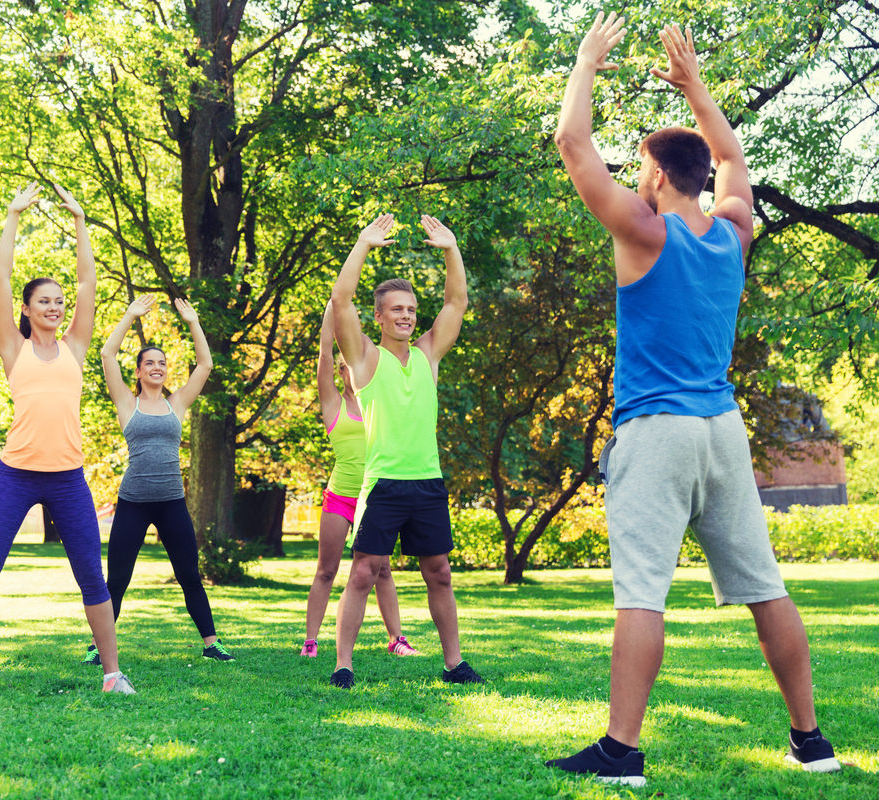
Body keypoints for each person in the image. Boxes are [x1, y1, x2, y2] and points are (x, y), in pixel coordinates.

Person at [546, 15, 841, 785]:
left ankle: (621, 752)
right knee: (764, 587)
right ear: (700, 175)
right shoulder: (732, 233)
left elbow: (573, 147)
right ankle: (811, 741)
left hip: (658, 431)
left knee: (641, 591)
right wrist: (697, 88)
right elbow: (735, 156)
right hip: (722, 432)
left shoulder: (644, 231)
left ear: (652, 176)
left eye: (638, 169)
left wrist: (585, 61)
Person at [0, 182, 134, 700]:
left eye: (60, 302)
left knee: (92, 579)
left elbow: (88, 281)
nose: (57, 307)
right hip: (15, 474)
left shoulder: (77, 347)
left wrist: (81, 221)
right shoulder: (13, 348)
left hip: (68, 477)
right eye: (45, 302)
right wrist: (12, 214)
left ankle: (112, 673)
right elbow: (3, 277)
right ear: (29, 310)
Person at [329, 213, 482, 689]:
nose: (406, 316)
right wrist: (362, 244)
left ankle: (454, 664)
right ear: (379, 316)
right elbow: (341, 299)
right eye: (396, 309)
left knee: (440, 572)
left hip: (428, 482)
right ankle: (343, 665)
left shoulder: (428, 354)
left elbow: (456, 300)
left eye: (411, 309)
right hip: (384, 485)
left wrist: (451, 249)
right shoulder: (364, 359)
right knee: (363, 573)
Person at [82, 294, 235, 665]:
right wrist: (129, 314)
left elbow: (205, 364)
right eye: (149, 362)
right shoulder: (125, 402)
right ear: (138, 371)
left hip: (171, 503)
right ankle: (97, 647)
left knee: (189, 575)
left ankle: (211, 643)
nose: (157, 367)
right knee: (116, 579)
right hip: (133, 502)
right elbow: (106, 356)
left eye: (162, 363)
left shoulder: (177, 403)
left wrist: (194, 322)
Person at [300, 300, 422, 659]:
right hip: (341, 496)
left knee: (382, 570)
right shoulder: (333, 404)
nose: (346, 371)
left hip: (377, 496)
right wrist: (331, 314)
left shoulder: (379, 400)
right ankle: (311, 641)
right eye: (341, 368)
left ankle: (397, 639)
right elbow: (325, 354)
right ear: (339, 373)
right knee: (327, 569)